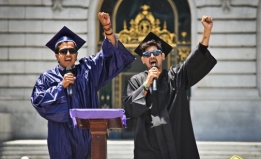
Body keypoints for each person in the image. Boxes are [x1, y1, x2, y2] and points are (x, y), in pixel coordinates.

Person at [30, 12, 135, 159]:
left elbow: (108, 55)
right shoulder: (46, 78)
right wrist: (61, 86)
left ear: (76, 54)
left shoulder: (87, 71)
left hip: (86, 137)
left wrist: (107, 28)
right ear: (56, 55)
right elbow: (39, 102)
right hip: (61, 138)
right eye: (63, 51)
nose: (68, 54)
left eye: (72, 50)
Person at [122, 15, 217, 159]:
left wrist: (207, 32)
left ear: (163, 56)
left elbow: (196, 58)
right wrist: (146, 84)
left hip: (176, 143)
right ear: (142, 59)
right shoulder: (136, 81)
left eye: (156, 53)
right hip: (148, 147)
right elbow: (130, 108)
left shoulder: (176, 76)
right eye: (147, 54)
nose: (152, 56)